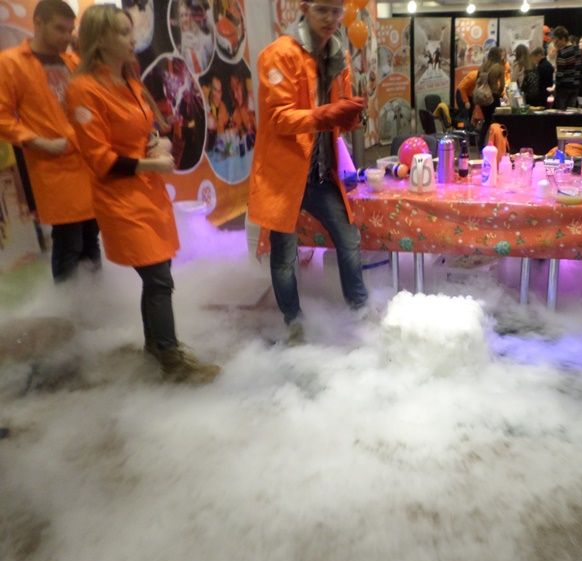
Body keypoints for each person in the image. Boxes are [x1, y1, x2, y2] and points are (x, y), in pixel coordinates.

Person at [66, 4, 219, 383]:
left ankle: (157, 346)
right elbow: (99, 159)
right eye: (122, 32)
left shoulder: (130, 81)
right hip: (121, 199)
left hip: (149, 195)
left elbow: (143, 128)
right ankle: (171, 359)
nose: (131, 38)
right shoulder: (84, 90)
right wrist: (150, 164)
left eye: (130, 30)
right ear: (99, 40)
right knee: (159, 278)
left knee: (157, 275)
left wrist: (156, 143)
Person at [248, 0, 367, 344]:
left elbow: (339, 111)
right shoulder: (279, 54)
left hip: (320, 174)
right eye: (322, 10)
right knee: (284, 255)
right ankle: (294, 322)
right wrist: (327, 115)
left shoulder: (337, 54)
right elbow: (279, 118)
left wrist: (349, 117)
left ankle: (360, 310)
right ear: (304, 8)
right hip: (283, 176)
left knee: (349, 239)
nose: (330, 18)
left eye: (336, 10)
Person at [0, 0, 97, 283]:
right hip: (54, 167)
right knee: (69, 242)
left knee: (91, 238)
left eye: (69, 30)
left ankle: (99, 303)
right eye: (59, 29)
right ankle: (69, 308)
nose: (66, 36)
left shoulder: (73, 62)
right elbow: (2, 116)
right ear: (38, 23)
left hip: (87, 163)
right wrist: (38, 142)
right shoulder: (11, 63)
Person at [475, 46, 505, 148]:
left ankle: (480, 144)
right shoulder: (499, 67)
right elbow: (502, 85)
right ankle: (497, 144)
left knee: (487, 121)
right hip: (494, 96)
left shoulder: (482, 66)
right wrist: (499, 93)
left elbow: (477, 81)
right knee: (497, 121)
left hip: (483, 97)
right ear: (498, 55)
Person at [177, 0, 212, 75]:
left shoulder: (199, 33)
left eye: (186, 15)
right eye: (181, 15)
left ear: (190, 16)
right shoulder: (178, 40)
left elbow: (210, 49)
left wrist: (211, 25)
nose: (184, 19)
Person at [552, 26, 582, 110]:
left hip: (564, 88)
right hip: (576, 86)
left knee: (561, 113)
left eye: (556, 41)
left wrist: (556, 87)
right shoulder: (578, 50)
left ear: (563, 39)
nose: (555, 44)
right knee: (571, 112)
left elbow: (560, 74)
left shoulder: (562, 53)